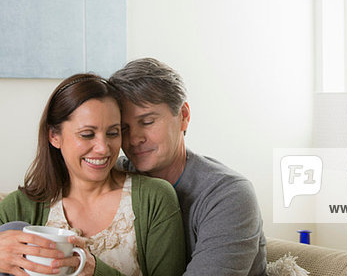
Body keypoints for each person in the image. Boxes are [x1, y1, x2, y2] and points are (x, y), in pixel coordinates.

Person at [0, 73, 186, 276]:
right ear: (54, 136)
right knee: (14, 229)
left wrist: (94, 271)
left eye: (113, 133)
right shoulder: (23, 205)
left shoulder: (154, 198)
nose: (103, 148)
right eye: (87, 134)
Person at [111, 58, 267, 276]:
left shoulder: (229, 195)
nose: (135, 139)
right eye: (124, 128)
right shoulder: (114, 178)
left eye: (147, 122)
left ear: (183, 116)